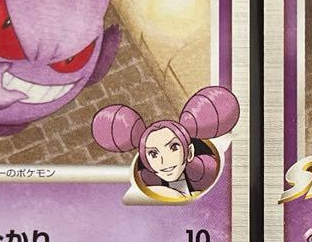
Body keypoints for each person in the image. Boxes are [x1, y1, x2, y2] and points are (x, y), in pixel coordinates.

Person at [92, 86, 240, 201]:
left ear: (189, 152)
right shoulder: (145, 184)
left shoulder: (210, 170)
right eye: (153, 153)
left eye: (173, 147)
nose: (164, 161)